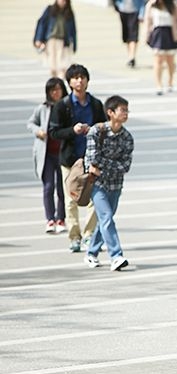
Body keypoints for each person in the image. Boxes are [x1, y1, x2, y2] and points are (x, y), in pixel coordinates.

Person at [48, 64, 106, 253]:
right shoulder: (62, 105)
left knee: (94, 199)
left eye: (82, 77)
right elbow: (54, 132)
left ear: (88, 80)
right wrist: (72, 130)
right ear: (70, 82)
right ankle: (74, 237)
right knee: (71, 199)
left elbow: (103, 127)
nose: (79, 81)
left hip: (91, 158)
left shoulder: (95, 104)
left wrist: (94, 129)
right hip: (70, 160)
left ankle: (89, 235)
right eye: (75, 78)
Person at [83, 96, 134, 272]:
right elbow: (92, 159)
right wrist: (109, 166)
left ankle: (91, 252)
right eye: (122, 110)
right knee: (106, 217)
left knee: (106, 219)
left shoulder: (127, 137)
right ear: (110, 112)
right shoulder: (96, 132)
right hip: (97, 184)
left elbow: (125, 166)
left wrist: (103, 168)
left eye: (127, 110)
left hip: (116, 185)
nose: (126, 113)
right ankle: (116, 256)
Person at [27, 77, 68, 234]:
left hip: (63, 153)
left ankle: (61, 218)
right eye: (52, 90)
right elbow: (31, 123)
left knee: (62, 188)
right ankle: (50, 219)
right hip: (47, 154)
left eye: (58, 89)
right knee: (48, 187)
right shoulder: (43, 108)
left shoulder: (67, 107)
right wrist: (38, 131)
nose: (56, 93)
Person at [144, 0, 177, 95]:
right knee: (158, 60)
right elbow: (147, 21)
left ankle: (170, 81)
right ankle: (158, 84)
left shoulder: (173, 3)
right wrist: (146, 35)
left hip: (170, 33)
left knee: (170, 61)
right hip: (157, 33)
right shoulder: (151, 4)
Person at [33, 0, 76, 78]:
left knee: (63, 65)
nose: (62, 2)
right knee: (53, 65)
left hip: (64, 42)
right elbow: (42, 24)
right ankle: (54, 81)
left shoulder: (69, 13)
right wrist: (38, 39)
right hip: (52, 40)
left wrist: (74, 44)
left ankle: (60, 81)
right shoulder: (50, 10)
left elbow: (73, 29)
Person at [114, 0, 146, 68]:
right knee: (127, 36)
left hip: (135, 11)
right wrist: (117, 5)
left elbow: (142, 2)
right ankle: (130, 56)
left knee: (133, 35)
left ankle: (132, 57)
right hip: (123, 11)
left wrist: (142, 14)